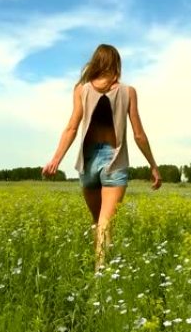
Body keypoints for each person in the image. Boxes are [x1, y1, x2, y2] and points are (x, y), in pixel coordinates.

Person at [42, 43, 162, 271]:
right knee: (105, 223)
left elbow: (71, 128)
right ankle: (101, 276)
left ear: (96, 62)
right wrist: (153, 165)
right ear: (116, 63)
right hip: (114, 161)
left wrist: (56, 159)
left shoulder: (81, 89)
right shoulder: (128, 92)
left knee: (98, 222)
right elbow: (139, 134)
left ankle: (98, 268)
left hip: (87, 162)